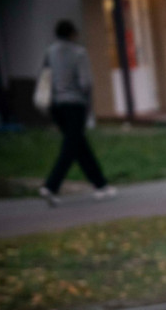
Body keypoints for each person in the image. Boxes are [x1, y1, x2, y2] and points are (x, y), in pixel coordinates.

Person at [39, 20, 116, 206]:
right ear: (72, 33)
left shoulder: (50, 52)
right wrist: (89, 105)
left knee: (79, 145)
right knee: (71, 147)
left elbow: (45, 76)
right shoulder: (78, 53)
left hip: (56, 106)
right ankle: (51, 186)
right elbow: (85, 83)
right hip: (74, 104)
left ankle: (101, 184)